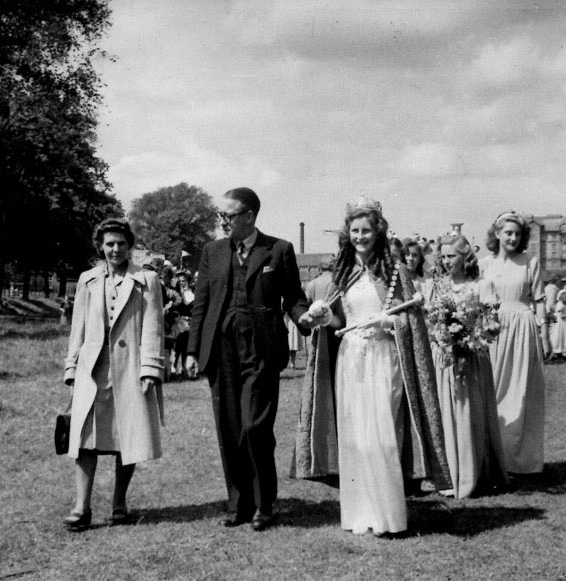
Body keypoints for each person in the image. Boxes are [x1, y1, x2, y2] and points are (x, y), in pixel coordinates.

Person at [292, 195, 450, 536]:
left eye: (366, 230)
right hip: (351, 359)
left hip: (384, 358)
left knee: (383, 437)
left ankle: (389, 517)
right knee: (356, 439)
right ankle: (359, 515)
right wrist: (324, 315)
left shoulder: (397, 273)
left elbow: (413, 323)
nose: (360, 237)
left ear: (378, 232)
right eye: (354, 231)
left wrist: (388, 324)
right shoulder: (344, 274)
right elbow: (338, 322)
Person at [186, 187, 311, 532]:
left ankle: (263, 503)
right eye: (221, 216)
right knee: (229, 429)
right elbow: (201, 304)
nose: (222, 221)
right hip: (221, 349)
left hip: (261, 349)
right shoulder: (212, 251)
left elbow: (294, 298)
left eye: (227, 216)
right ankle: (237, 503)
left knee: (254, 427)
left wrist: (304, 319)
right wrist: (194, 350)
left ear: (249, 217)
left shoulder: (279, 250)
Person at [63, 218, 165, 530]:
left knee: (127, 435)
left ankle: (119, 502)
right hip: (92, 370)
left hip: (130, 368)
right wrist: (71, 366)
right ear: (101, 246)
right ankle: (82, 507)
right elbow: (76, 325)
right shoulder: (87, 280)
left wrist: (150, 367)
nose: (115, 249)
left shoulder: (147, 280)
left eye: (121, 243)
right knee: (84, 438)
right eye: (109, 244)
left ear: (130, 245)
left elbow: (153, 325)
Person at [430, 233, 507, 498]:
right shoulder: (439, 287)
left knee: (470, 412)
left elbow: (492, 325)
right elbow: (432, 321)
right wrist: (441, 336)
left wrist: (481, 331)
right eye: (443, 256)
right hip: (446, 359)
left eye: (451, 255)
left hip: (472, 359)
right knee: (446, 412)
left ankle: (473, 472)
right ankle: (449, 473)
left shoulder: (481, 285)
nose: (446, 261)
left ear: (465, 257)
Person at [480, 211, 548, 475]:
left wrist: (543, 334)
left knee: (520, 393)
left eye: (517, 234)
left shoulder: (530, 262)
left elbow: (540, 300)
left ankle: (519, 460)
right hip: (492, 331)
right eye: (508, 232)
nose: (513, 238)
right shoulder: (484, 265)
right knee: (493, 390)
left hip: (522, 327)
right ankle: (492, 457)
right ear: (497, 234)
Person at [549, 289, 566, 360]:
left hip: (563, 323)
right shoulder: (560, 304)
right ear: (561, 297)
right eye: (565, 297)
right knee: (558, 336)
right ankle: (556, 352)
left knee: (563, 337)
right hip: (560, 323)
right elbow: (561, 316)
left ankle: (560, 352)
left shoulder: (562, 304)